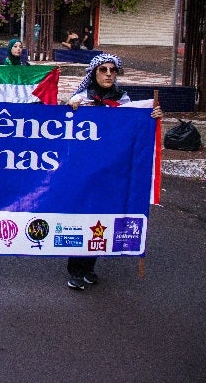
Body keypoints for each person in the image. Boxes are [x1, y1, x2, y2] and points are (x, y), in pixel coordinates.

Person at [66, 53, 163, 290]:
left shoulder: (124, 100)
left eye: (113, 70)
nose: (108, 74)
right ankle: (76, 270)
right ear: (94, 73)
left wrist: (152, 117)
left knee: (102, 218)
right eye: (103, 70)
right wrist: (70, 107)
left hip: (111, 169)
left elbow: (135, 128)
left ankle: (89, 266)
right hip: (85, 170)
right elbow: (64, 126)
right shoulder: (82, 98)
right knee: (83, 217)